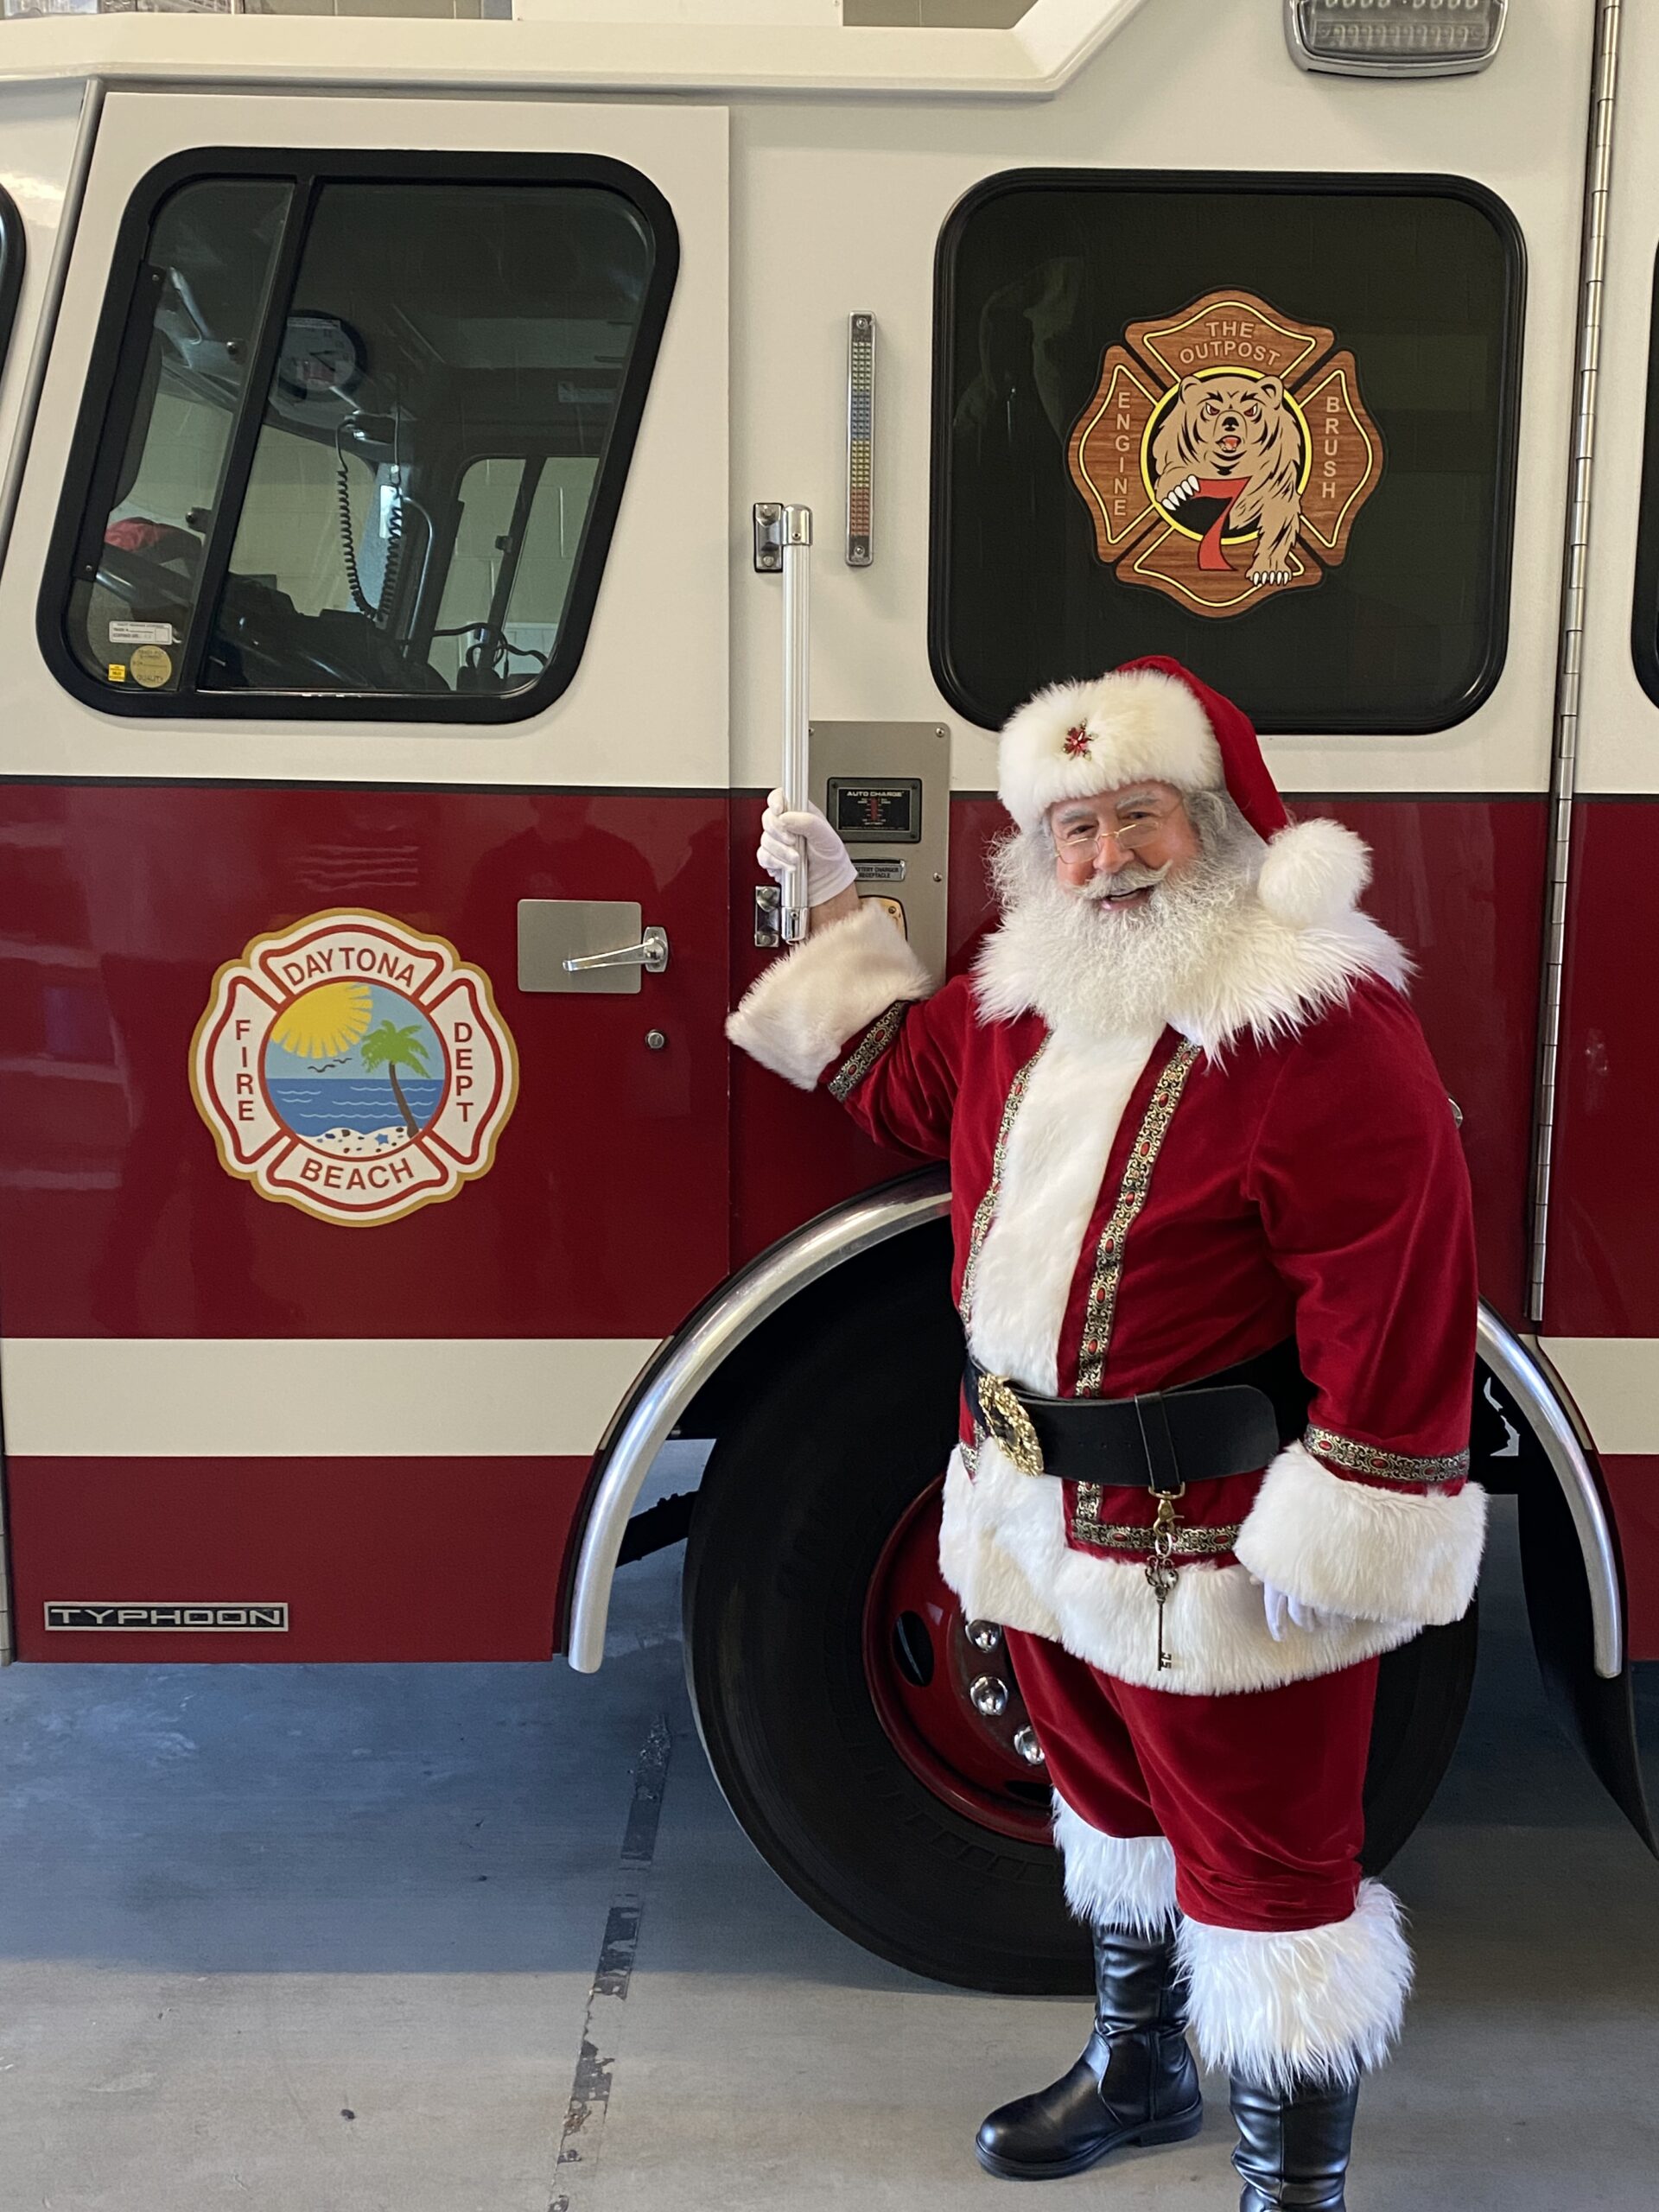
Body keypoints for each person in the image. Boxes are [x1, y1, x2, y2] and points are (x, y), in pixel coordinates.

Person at [727, 657, 1483, 2212]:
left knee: (1272, 1879)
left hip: (1221, 1543)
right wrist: (834, 911)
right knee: (1108, 1808)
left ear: (1218, 822)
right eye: (1074, 830)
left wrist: (1355, 1516)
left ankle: (1292, 2185)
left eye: (1141, 818)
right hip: (1032, 1515)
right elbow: (904, 1080)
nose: (1108, 860)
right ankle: (1140, 2067)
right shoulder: (1025, 998)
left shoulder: (1315, 1017)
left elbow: (1397, 1282)